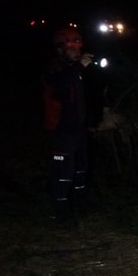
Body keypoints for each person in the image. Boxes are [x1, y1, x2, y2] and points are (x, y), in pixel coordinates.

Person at [41, 25, 94, 224]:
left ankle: (79, 205)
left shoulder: (75, 69)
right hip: (60, 129)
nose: (77, 53)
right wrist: (79, 67)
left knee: (81, 168)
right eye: (73, 49)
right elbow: (60, 87)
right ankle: (59, 213)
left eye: (79, 49)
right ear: (61, 48)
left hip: (78, 129)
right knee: (62, 172)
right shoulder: (54, 68)